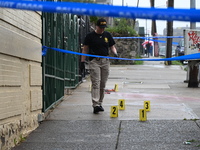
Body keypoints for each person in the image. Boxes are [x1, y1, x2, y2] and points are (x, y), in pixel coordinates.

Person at [81, 18, 118, 114]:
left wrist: (115, 53)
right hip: (94, 61)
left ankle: (100, 103)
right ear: (96, 26)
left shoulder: (107, 35)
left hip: (105, 61)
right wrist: (82, 61)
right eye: (100, 27)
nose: (102, 29)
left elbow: (112, 46)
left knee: (103, 83)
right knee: (96, 82)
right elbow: (85, 49)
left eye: (104, 28)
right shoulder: (90, 36)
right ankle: (95, 104)